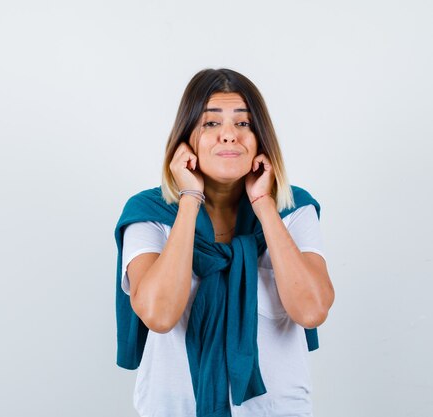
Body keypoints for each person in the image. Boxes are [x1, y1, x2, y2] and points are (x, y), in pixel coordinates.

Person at [114, 68, 335, 417]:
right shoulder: (149, 213)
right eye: (211, 124)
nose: (229, 136)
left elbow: (311, 311)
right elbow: (158, 314)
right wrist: (189, 197)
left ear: (261, 139)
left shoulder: (293, 211)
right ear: (186, 140)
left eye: (244, 124)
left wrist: (264, 205)